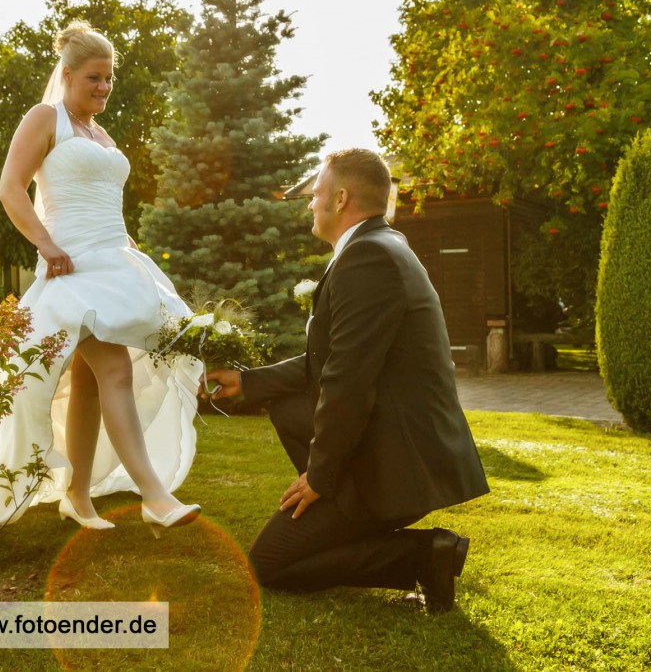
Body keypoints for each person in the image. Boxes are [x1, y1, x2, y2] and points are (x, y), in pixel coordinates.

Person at [0, 22, 201, 536]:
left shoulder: (101, 135)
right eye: (93, 78)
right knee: (116, 372)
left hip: (114, 264)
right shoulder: (45, 118)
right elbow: (11, 188)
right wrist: (45, 243)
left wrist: (124, 241)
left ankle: (78, 497)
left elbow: (104, 199)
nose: (103, 88)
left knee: (88, 381)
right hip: (71, 270)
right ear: (67, 74)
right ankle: (155, 495)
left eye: (108, 78)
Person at [205, 149, 489, 612]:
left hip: (402, 461)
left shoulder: (368, 258)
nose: (310, 204)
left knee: (268, 564)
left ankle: (422, 554)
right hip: (394, 443)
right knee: (284, 403)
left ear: (340, 199)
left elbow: (348, 382)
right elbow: (330, 359)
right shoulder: (377, 247)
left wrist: (321, 475)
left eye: (315, 194)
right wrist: (249, 382)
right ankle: (357, 516)